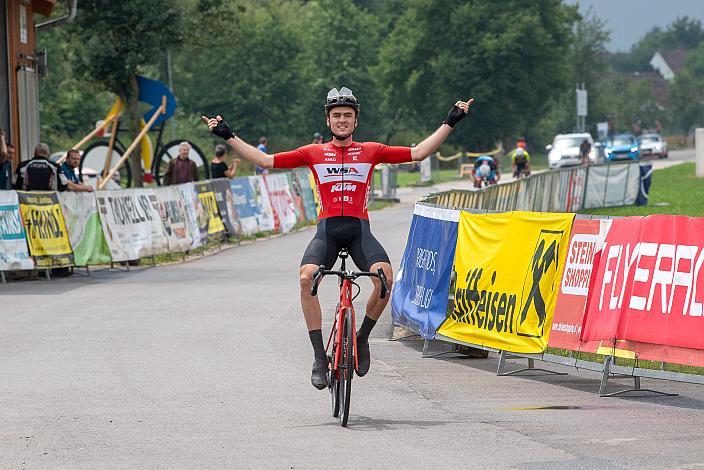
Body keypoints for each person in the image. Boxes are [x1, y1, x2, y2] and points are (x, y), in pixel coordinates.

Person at [203, 86, 473, 389]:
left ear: (355, 121)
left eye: (347, 115)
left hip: (359, 231)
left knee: (385, 280)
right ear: (328, 121)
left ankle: (361, 338)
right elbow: (265, 162)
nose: (342, 120)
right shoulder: (313, 153)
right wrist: (228, 136)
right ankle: (320, 357)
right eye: (336, 116)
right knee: (306, 279)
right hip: (327, 231)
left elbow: (419, 152)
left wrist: (450, 121)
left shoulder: (371, 151)